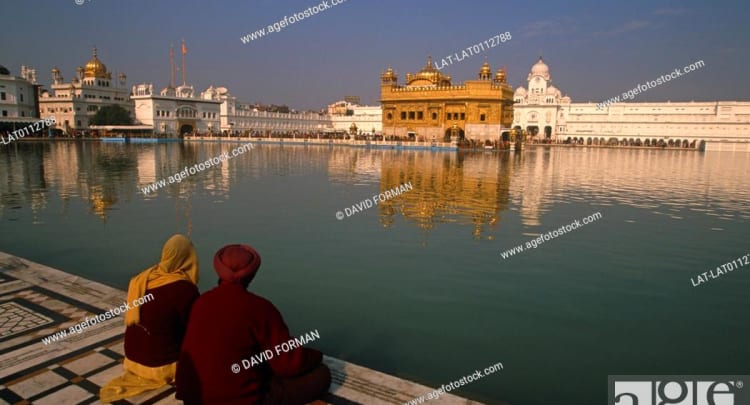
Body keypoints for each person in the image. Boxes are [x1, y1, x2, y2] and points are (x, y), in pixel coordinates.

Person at [176, 244, 330, 405]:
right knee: (322, 375)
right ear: (252, 274)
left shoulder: (201, 302)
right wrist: (316, 355)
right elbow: (287, 364)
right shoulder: (260, 308)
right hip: (241, 400)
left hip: (194, 398)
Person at [100, 234, 200, 403]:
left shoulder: (143, 278)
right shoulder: (183, 289)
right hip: (159, 365)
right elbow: (194, 329)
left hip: (131, 359)